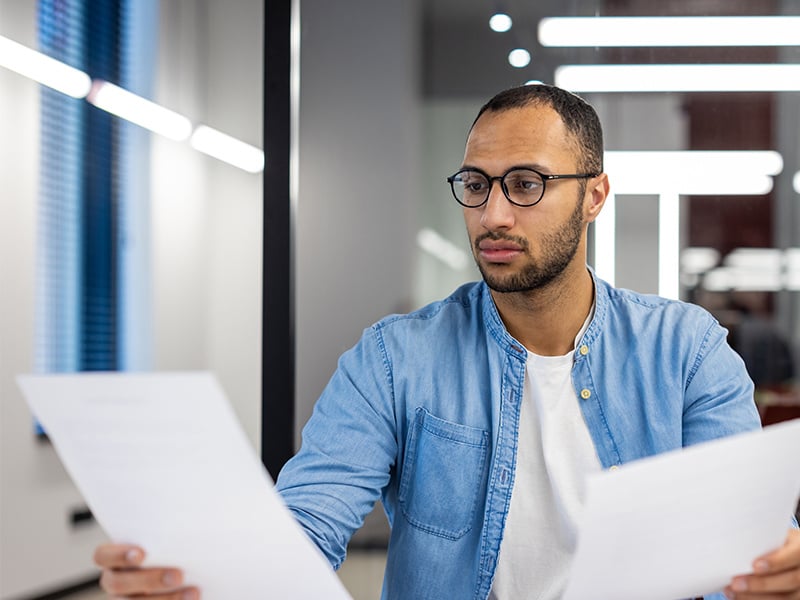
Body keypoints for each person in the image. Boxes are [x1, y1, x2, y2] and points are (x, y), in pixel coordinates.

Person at [94, 84, 800, 599]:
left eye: (526, 184)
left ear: (593, 196)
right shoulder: (395, 358)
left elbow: (736, 558)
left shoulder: (687, 352)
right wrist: (202, 573)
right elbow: (306, 524)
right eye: (475, 183)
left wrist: (773, 573)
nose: (492, 214)